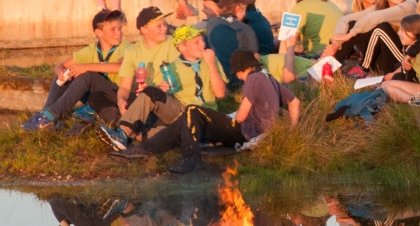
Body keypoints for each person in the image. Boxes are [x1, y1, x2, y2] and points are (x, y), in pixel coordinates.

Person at [113, 50, 299, 175]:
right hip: (257, 131)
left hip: (245, 132)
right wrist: (292, 129)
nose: (239, 78)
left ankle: (190, 158)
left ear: (243, 69)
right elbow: (295, 102)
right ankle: (144, 151)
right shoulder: (269, 77)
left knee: (193, 111)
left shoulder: (253, 79)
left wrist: (230, 117)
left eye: (238, 74)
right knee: (186, 120)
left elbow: (242, 116)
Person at [21, 9, 127, 131]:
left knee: (87, 76)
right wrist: (61, 73)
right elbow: (59, 66)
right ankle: (46, 117)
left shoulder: (125, 47)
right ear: (99, 32)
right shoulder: (92, 49)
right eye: (113, 29)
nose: (118, 33)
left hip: (119, 95)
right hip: (98, 96)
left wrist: (86, 67)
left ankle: (49, 116)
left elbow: (120, 67)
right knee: (64, 77)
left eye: (120, 29)